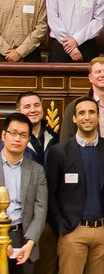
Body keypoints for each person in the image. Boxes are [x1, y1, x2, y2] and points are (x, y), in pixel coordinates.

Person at [46, 97, 104, 274]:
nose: (87, 117)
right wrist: (62, 227)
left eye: (91, 112)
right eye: (82, 113)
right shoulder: (59, 152)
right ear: (74, 118)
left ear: (98, 116)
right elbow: (51, 193)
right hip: (73, 231)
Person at [0, 112, 49, 274]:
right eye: (13, 133)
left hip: (24, 236)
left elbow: (40, 208)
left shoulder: (36, 170)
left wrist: (31, 242)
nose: (17, 139)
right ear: (3, 135)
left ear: (28, 140)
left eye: (23, 135)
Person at [59, 57, 104, 145]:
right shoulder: (75, 106)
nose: (102, 75)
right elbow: (66, 141)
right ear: (90, 78)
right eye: (98, 72)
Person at [16, 92, 58, 166]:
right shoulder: (10, 141)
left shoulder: (55, 137)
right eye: (27, 107)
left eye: (37, 105)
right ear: (18, 112)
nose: (33, 110)